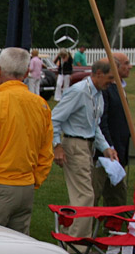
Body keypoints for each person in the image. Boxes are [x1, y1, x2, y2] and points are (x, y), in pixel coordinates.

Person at [0, 48, 54, 235]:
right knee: (18, 245)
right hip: (25, 188)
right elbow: (46, 152)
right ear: (27, 72)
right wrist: (35, 180)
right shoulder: (41, 105)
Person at [51, 58, 119, 238]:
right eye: (110, 77)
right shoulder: (79, 92)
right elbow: (54, 119)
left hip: (87, 146)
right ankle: (77, 242)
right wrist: (56, 145)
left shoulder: (97, 94)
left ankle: (72, 234)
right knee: (85, 195)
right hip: (74, 145)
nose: (112, 82)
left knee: (82, 194)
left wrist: (105, 148)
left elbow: (94, 126)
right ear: (98, 74)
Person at [96, 52, 132, 206]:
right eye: (126, 63)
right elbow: (102, 120)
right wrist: (109, 146)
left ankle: (113, 223)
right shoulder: (107, 89)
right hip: (108, 150)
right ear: (115, 67)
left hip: (120, 147)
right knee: (97, 190)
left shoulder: (120, 87)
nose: (130, 66)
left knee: (117, 190)